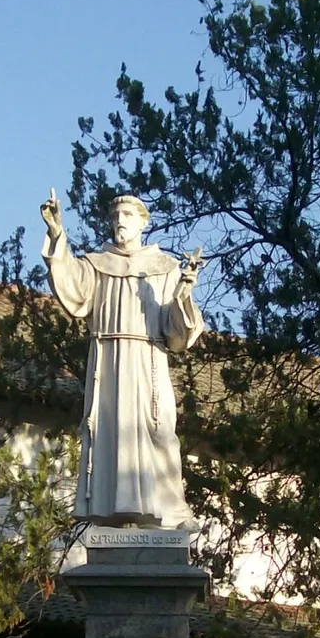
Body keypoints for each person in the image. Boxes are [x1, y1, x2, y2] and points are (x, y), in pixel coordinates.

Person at [40, 190, 204, 527]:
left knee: (157, 432)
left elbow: (178, 336)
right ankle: (113, 513)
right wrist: (58, 233)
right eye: (115, 217)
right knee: (110, 435)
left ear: (143, 222)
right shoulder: (99, 265)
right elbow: (73, 288)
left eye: (127, 216)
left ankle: (171, 511)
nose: (119, 222)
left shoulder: (165, 269)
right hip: (109, 364)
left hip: (147, 362)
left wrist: (183, 295)